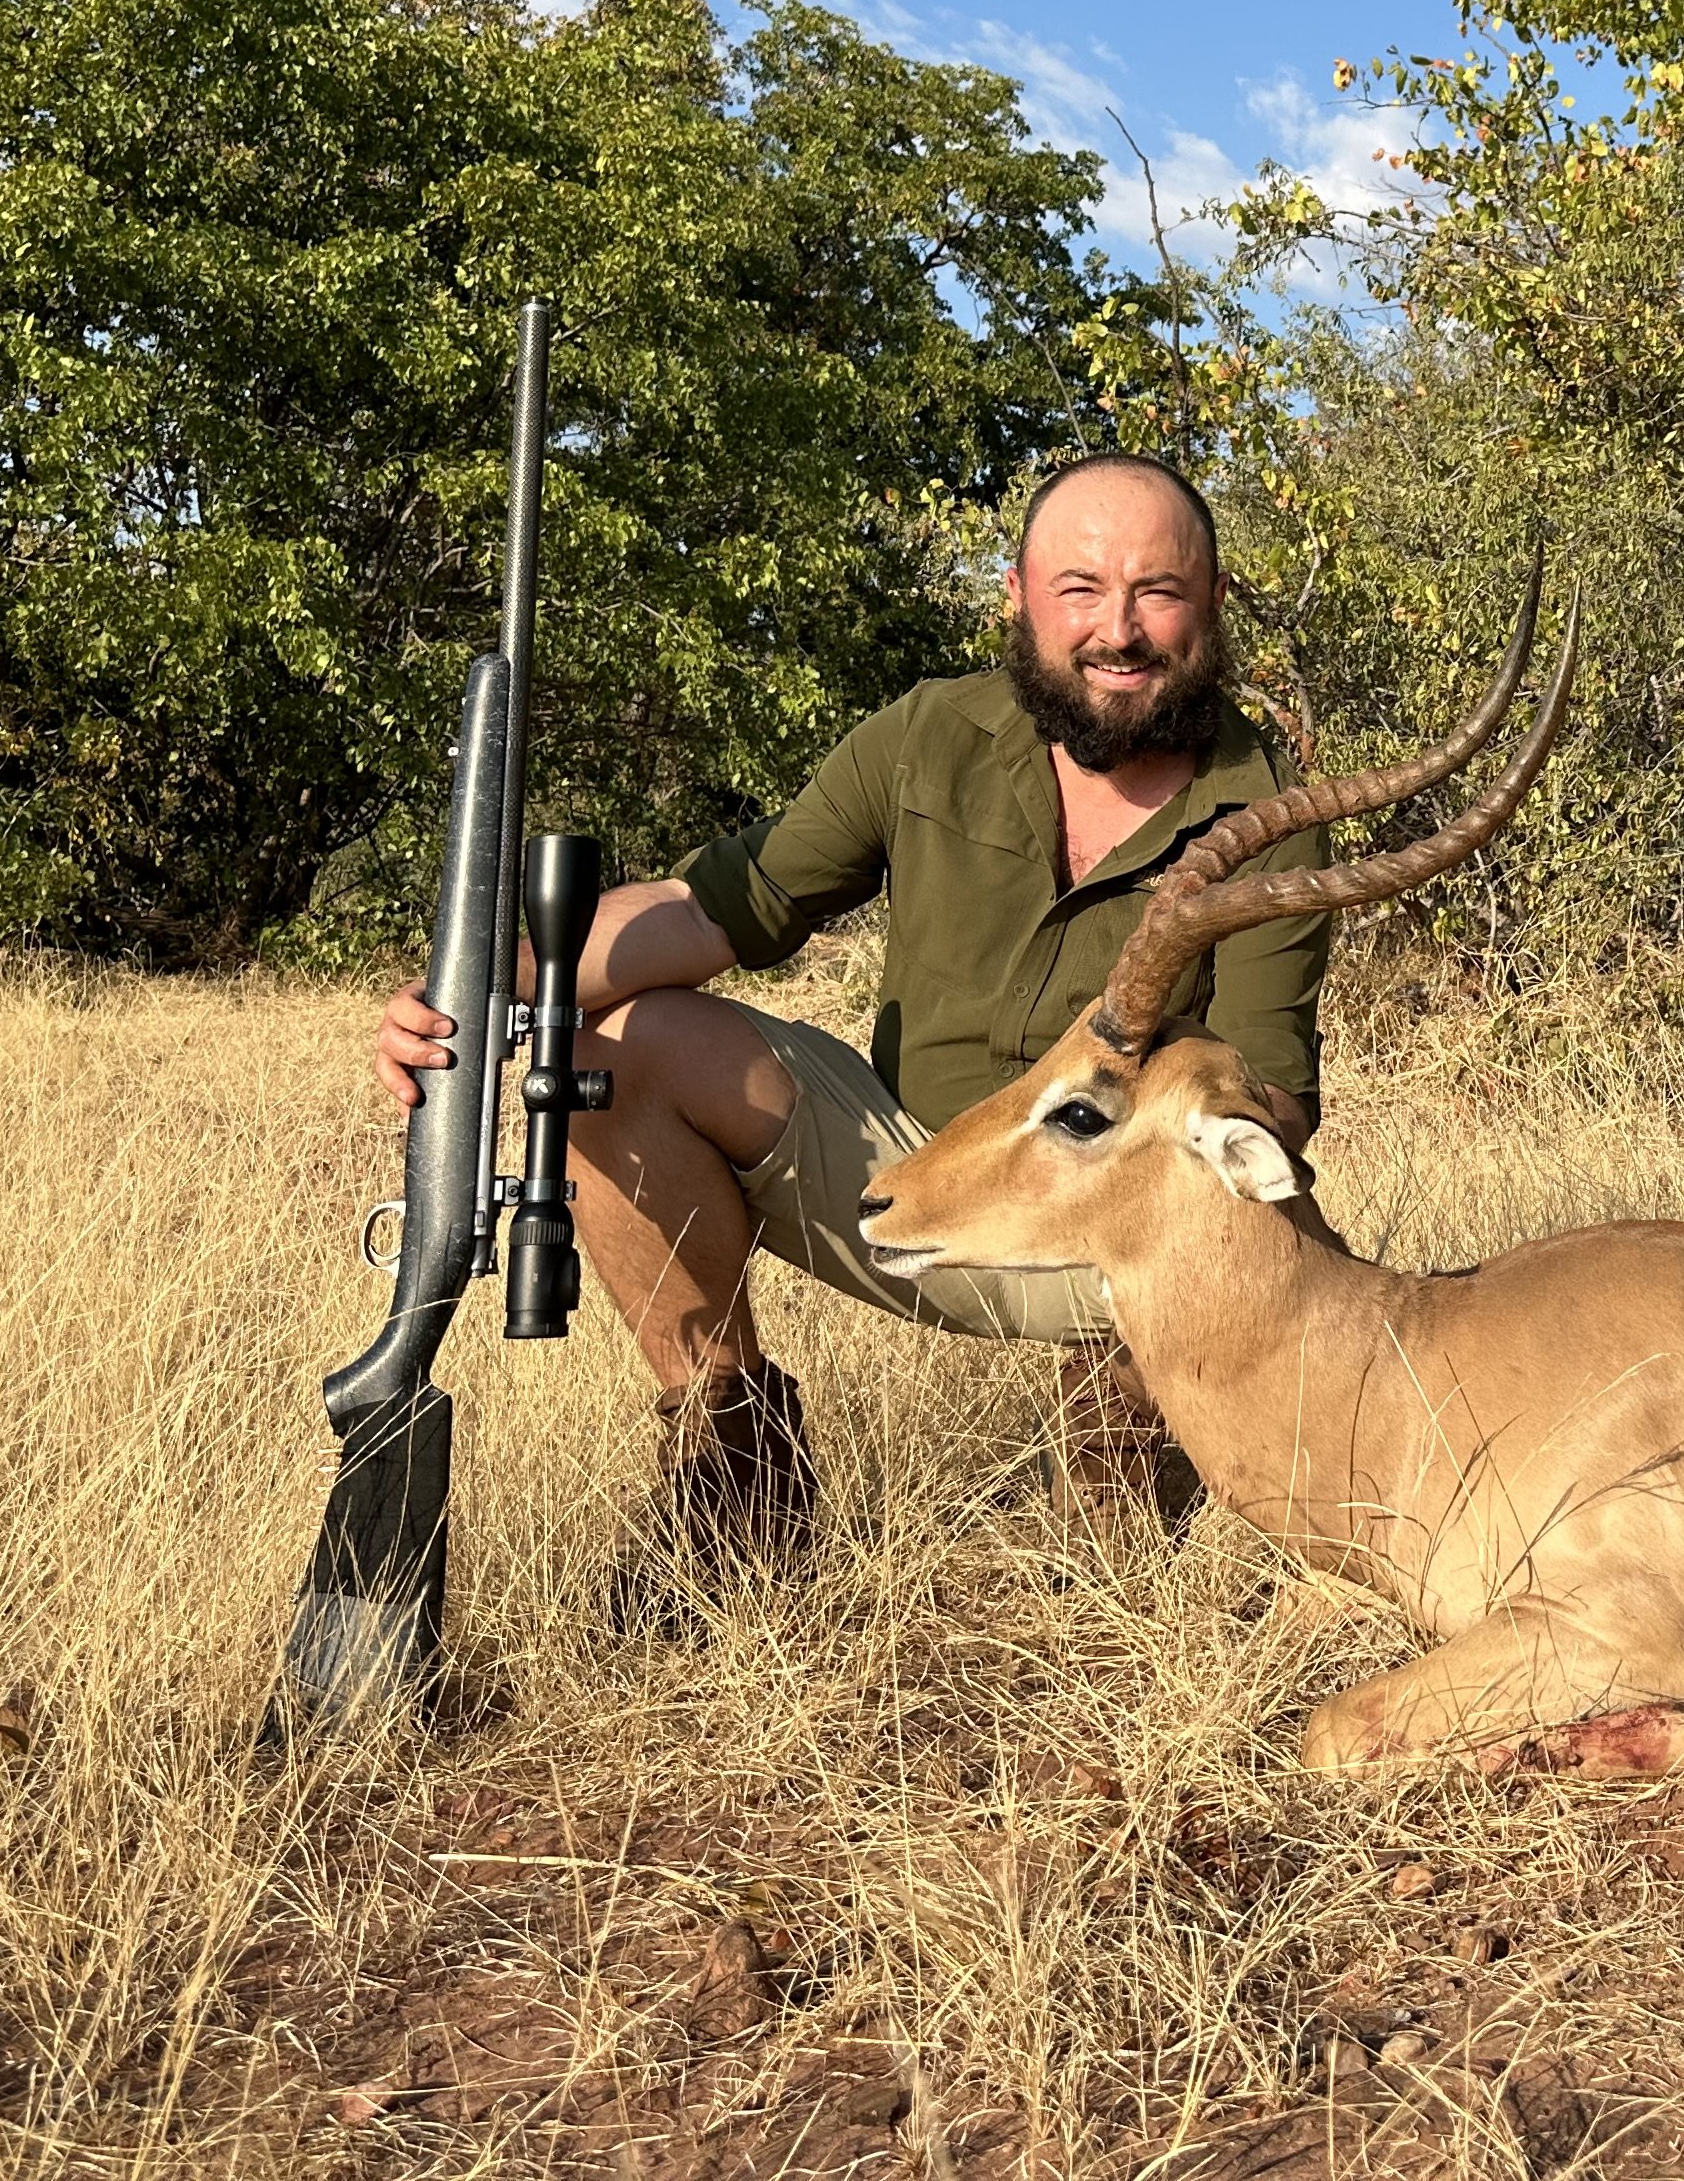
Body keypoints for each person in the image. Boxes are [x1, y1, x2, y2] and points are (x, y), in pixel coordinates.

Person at [370, 450, 1330, 1614]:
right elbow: (727, 906)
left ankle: (1132, 1447)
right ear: (1020, 596)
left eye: (1156, 592)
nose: (1116, 631)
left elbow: (1273, 1103)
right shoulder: (933, 731)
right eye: (1080, 589)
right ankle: (729, 1462)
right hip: (909, 1172)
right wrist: (500, 986)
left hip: (1099, 1229)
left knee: (1105, 1608)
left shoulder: (1271, 807)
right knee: (613, 1043)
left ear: (1211, 605)